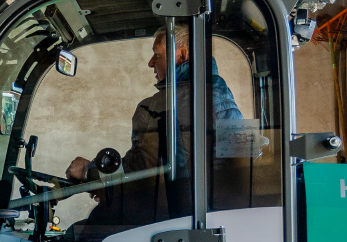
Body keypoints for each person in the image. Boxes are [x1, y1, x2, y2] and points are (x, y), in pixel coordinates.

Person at [67, 25, 240, 188]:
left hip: (175, 208)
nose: (150, 63)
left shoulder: (161, 105)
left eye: (157, 54)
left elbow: (145, 169)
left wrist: (89, 170)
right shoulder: (219, 93)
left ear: (182, 55)